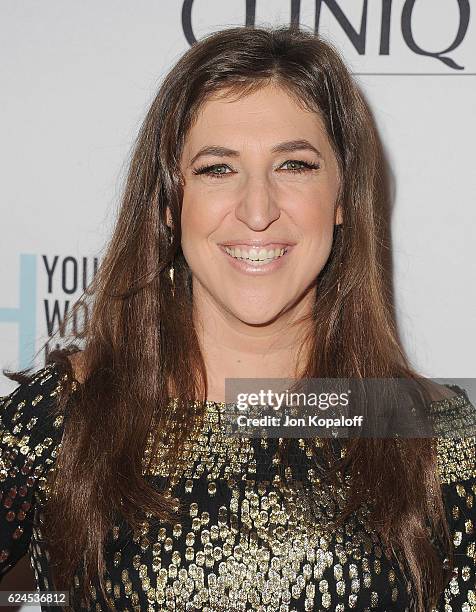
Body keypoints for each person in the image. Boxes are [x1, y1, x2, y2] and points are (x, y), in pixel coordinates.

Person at [1, 24, 475, 612]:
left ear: (344, 197)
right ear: (170, 204)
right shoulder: (69, 413)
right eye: (217, 169)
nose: (257, 211)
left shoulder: (433, 431)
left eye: (294, 165)